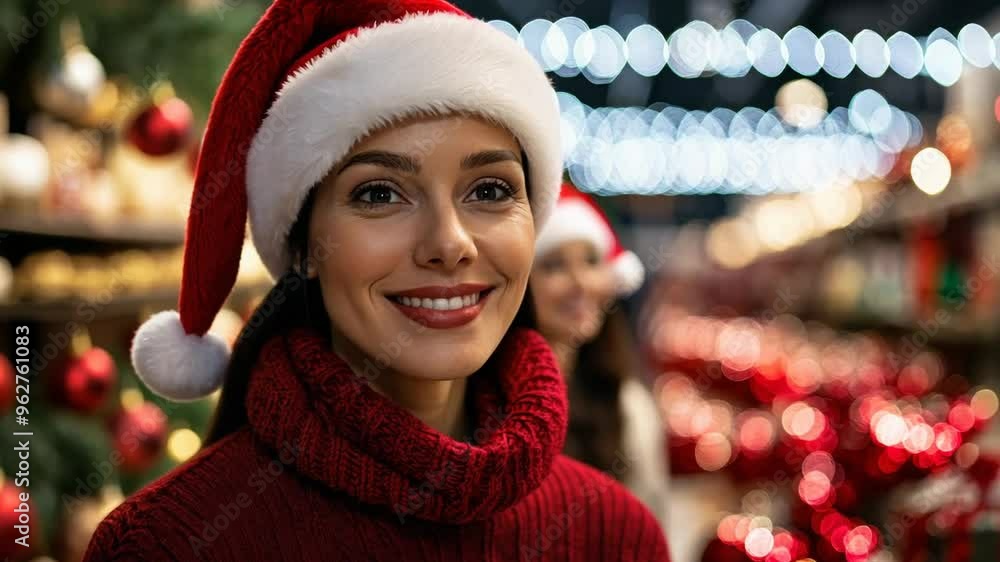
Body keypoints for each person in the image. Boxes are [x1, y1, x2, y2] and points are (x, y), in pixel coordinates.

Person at [83, 1, 670, 560]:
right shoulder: (169, 543)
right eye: (379, 193)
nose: (449, 243)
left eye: (490, 190)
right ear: (303, 244)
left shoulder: (614, 532)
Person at [529, 183, 671, 528]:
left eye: (591, 262)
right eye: (554, 266)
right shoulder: (484, 402)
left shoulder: (627, 404)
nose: (580, 283)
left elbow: (650, 528)